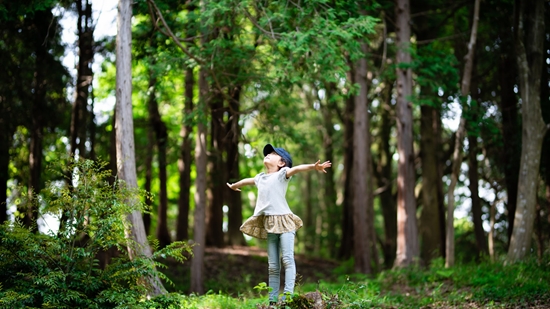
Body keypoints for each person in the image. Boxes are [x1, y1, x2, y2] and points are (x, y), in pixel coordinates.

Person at [226, 143, 331, 306]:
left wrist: (313, 167)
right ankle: (272, 301)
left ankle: (288, 296)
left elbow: (297, 169)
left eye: (273, 154)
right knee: (273, 266)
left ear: (282, 162)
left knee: (288, 259)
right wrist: (234, 185)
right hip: (270, 224)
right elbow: (247, 181)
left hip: (285, 222)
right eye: (267, 153)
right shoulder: (260, 177)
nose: (267, 155)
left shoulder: (283, 173)